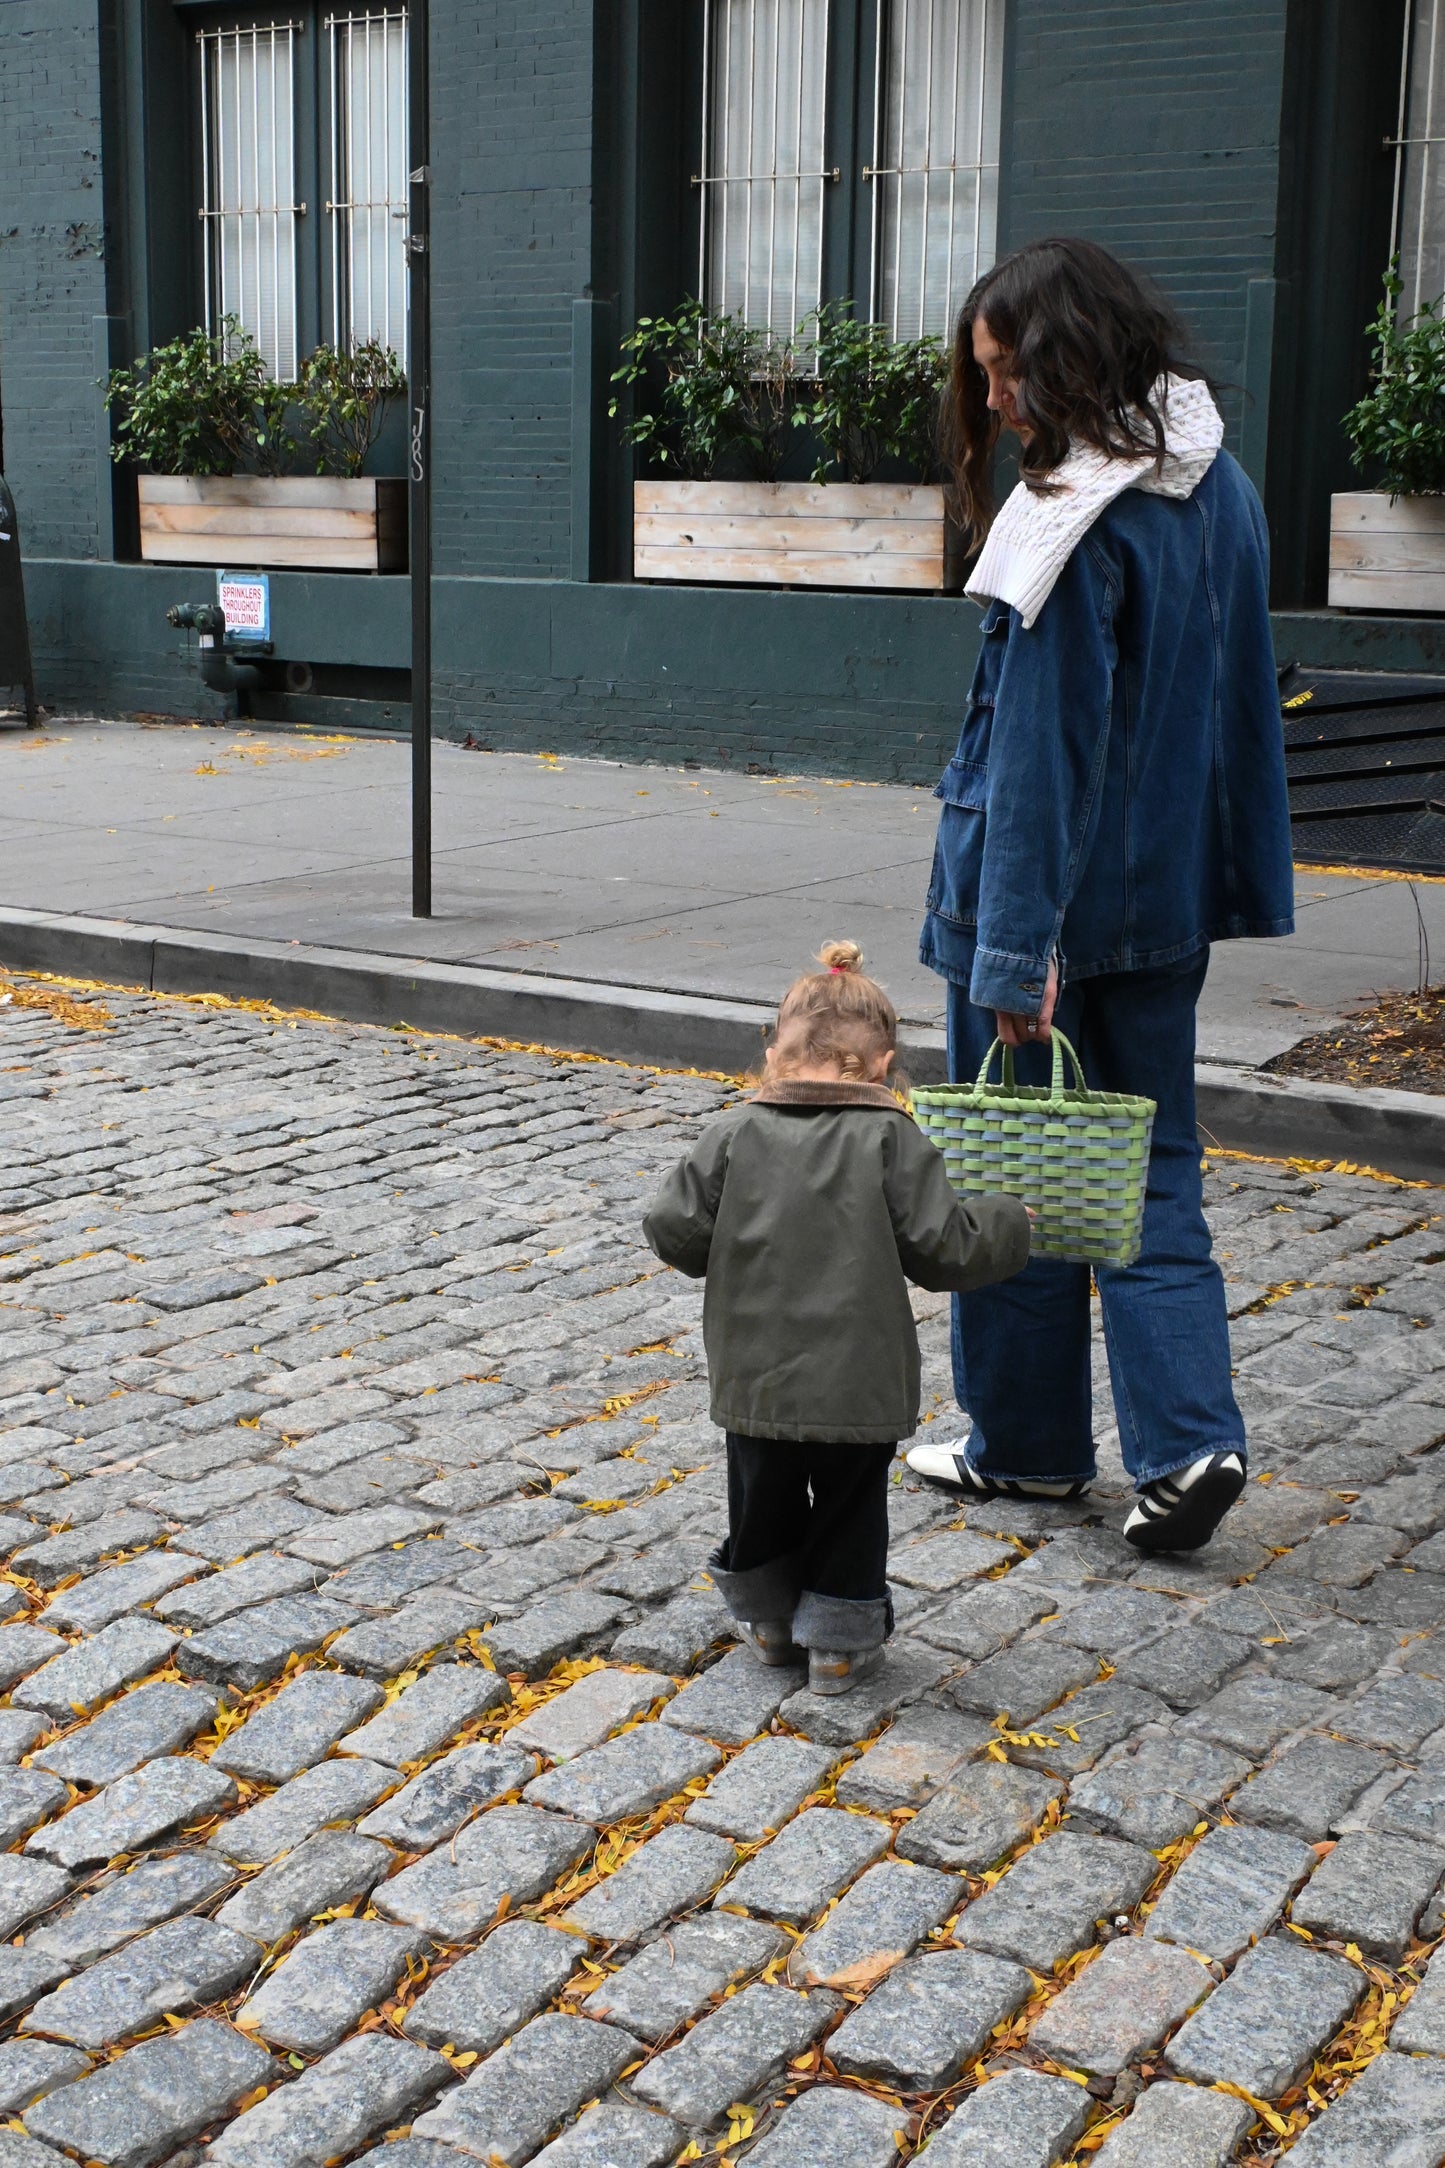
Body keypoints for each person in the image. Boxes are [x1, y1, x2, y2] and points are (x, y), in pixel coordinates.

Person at [910, 237, 1294, 1555]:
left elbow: (1039, 754)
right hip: (1159, 905)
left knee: (1011, 1179)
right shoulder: (1215, 481)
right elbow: (1233, 707)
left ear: (1074, 349)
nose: (1002, 399)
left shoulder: (1081, 517)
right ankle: (1192, 1443)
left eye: (1014, 369)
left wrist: (1014, 958)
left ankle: (1020, 1449)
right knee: (1152, 1174)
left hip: (1042, 911)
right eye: (989, 374)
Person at [643, 941, 1031, 1695]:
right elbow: (942, 1248)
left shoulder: (733, 1132)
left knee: (761, 1493)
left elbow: (672, 1227)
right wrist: (1009, 1219)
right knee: (852, 1505)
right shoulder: (891, 1137)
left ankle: (767, 1623)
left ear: (773, 1053)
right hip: (858, 1373)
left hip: (755, 1370)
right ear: (883, 1064)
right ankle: (839, 1647)